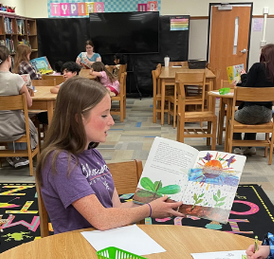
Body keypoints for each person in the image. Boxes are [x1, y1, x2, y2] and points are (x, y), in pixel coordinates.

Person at [37, 78, 181, 233]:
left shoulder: (93, 155)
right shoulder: (60, 161)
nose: (111, 121)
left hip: (104, 240)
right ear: (78, 118)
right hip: (78, 246)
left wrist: (162, 202)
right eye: (104, 115)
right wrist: (149, 210)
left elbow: (115, 208)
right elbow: (101, 219)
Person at [0, 45, 37, 169]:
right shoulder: (15, 78)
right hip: (15, 128)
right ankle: (22, 156)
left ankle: (13, 156)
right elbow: (29, 104)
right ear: (8, 59)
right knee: (29, 123)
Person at [234, 43, 274, 141]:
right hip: (267, 115)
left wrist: (243, 76)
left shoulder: (257, 67)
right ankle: (250, 147)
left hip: (249, 112)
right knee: (253, 118)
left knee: (233, 118)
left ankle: (237, 147)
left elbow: (247, 87)